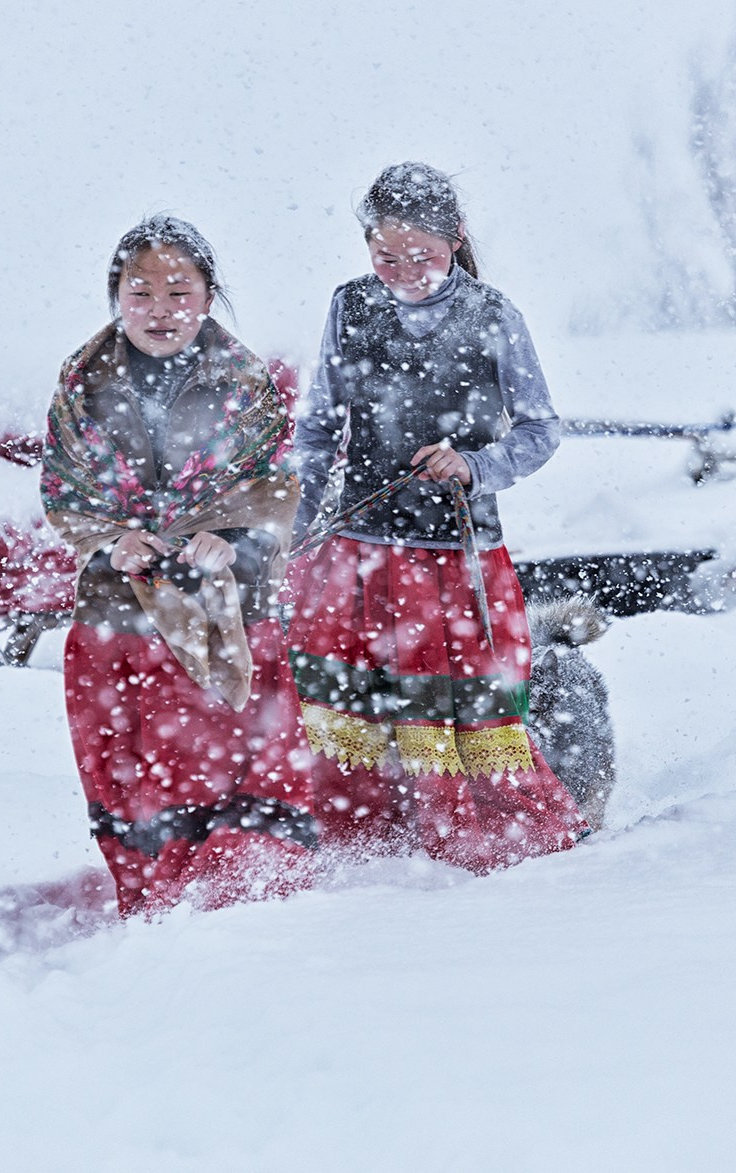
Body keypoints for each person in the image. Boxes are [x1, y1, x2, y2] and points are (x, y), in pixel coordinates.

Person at [287, 162, 584, 872]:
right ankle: (363, 839)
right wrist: (297, 529)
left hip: (456, 555)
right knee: (349, 704)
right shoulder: (350, 306)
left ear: (454, 238)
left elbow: (540, 430)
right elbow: (320, 427)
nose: (402, 272)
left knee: (461, 704)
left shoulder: (492, 315)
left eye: (419, 255)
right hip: (357, 550)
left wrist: (477, 464)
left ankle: (472, 834)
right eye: (385, 256)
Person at [42, 215, 317, 915]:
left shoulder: (243, 380)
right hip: (120, 618)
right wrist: (113, 540)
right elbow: (64, 490)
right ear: (117, 296)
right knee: (133, 770)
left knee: (233, 765)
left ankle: (242, 905)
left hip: (225, 611)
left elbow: (274, 486)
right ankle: (155, 903)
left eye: (177, 290)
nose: (160, 309)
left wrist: (235, 539)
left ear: (207, 294)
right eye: (142, 292)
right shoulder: (84, 382)